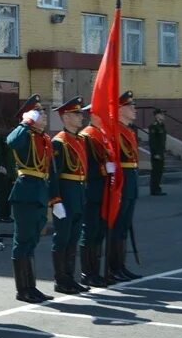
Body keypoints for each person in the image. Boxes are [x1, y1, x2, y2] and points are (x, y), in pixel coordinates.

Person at [5, 94, 58, 303]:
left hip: (40, 192)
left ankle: (31, 287)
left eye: (43, 111)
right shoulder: (24, 134)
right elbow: (11, 141)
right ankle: (23, 289)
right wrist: (25, 122)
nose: (43, 115)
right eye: (39, 112)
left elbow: (50, 171)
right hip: (25, 192)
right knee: (23, 241)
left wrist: (55, 198)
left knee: (32, 241)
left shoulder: (44, 138)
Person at [49, 96, 90, 294]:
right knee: (62, 238)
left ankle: (71, 277)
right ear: (65, 117)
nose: (80, 116)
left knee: (74, 237)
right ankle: (61, 279)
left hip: (79, 193)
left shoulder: (79, 140)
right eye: (76, 113)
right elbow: (54, 175)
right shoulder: (59, 142)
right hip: (65, 195)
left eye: (80, 113)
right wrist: (55, 200)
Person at [78, 105, 116, 287]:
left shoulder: (101, 134)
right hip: (91, 190)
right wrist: (104, 169)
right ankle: (87, 272)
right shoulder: (87, 136)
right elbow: (86, 166)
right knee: (90, 231)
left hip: (103, 191)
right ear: (93, 115)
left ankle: (96, 271)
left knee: (99, 231)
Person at [110, 91, 143, 281]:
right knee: (118, 225)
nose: (135, 110)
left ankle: (121, 266)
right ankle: (114, 267)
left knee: (124, 225)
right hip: (122, 182)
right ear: (120, 109)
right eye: (130, 106)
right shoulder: (116, 130)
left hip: (131, 181)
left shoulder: (129, 130)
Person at [0, 135, 15, 222]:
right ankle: (2, 215)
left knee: (8, 192)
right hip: (4, 169)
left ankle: (6, 214)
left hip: (11, 169)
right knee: (3, 193)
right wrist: (1, 165)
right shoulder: (2, 137)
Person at [149, 108, 167, 196]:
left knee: (160, 171)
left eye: (163, 114)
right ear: (156, 115)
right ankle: (154, 189)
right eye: (161, 114)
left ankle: (158, 188)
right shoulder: (154, 126)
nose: (163, 115)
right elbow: (152, 141)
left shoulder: (161, 125)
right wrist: (155, 153)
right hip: (156, 153)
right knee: (156, 171)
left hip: (161, 152)